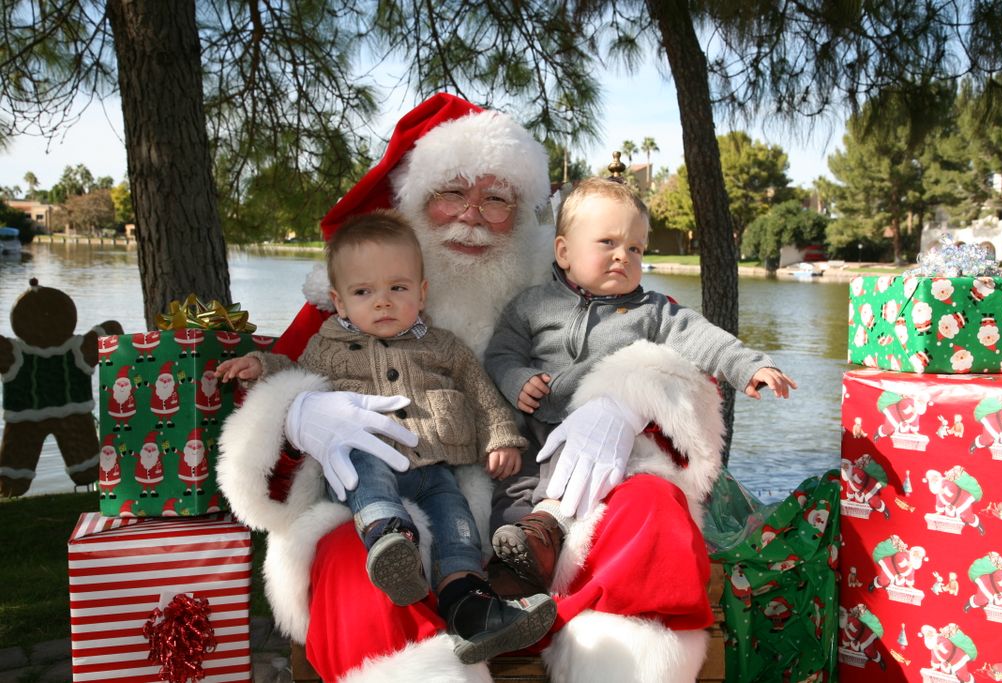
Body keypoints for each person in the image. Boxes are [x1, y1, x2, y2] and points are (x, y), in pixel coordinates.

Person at [218, 94, 730, 683]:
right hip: (402, 507)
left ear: (527, 213)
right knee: (353, 558)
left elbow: (679, 354)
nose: (472, 217)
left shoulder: (565, 280)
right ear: (414, 201)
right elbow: (269, 383)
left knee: (652, 509)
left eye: (496, 200)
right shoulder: (357, 289)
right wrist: (300, 411)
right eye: (451, 195)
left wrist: (622, 400)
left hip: (549, 505)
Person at [215, 211, 554, 663]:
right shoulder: (328, 346)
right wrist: (263, 367)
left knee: (457, 524)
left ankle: (468, 603)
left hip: (434, 469)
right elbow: (294, 369)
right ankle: (388, 536)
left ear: (422, 291)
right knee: (362, 464)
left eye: (398, 288)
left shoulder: (443, 345)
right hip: (369, 462)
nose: (383, 303)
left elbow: (481, 393)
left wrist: (501, 436)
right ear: (339, 302)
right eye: (363, 292)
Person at [484, 178, 797, 592]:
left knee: (579, 496)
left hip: (602, 440)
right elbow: (501, 354)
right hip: (535, 431)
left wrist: (749, 366)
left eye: (635, 248)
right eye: (607, 242)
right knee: (510, 497)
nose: (622, 256)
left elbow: (705, 339)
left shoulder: (652, 312)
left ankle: (546, 539)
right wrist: (517, 379)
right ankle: (512, 577)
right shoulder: (531, 305)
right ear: (563, 252)